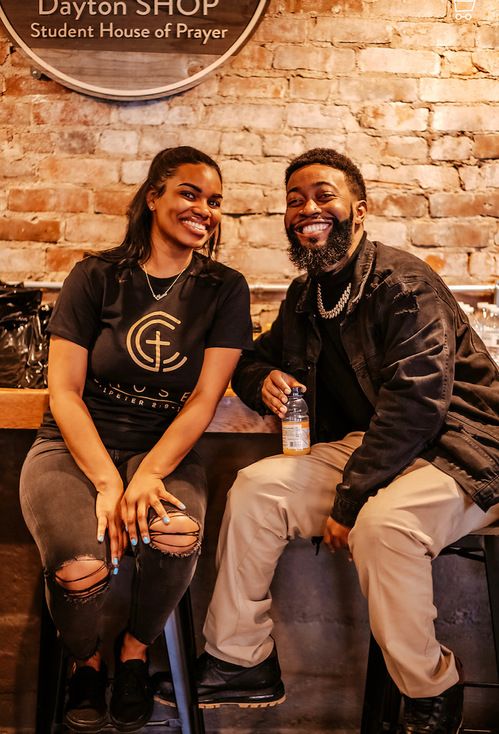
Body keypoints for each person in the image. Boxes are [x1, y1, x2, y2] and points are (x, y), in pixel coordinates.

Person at [156, 148, 499, 733]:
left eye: (323, 196)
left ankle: (431, 689)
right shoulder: (306, 296)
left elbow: (417, 405)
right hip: (378, 451)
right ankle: (240, 659)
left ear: (359, 211)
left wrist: (349, 500)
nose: (307, 209)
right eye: (294, 201)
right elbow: (252, 358)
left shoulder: (403, 284)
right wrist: (261, 378)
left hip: (460, 450)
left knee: (383, 527)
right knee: (257, 489)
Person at [19, 146, 253, 733]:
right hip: (72, 448)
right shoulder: (96, 276)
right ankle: (86, 660)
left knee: (176, 535)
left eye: (215, 201)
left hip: (163, 450)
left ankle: (133, 650)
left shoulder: (224, 288)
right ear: (153, 197)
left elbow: (204, 400)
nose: (204, 210)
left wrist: (147, 473)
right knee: (80, 569)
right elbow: (64, 393)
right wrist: (107, 480)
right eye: (189, 193)